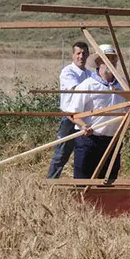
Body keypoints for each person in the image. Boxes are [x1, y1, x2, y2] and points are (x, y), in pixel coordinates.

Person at [65, 44, 128, 180]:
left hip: (112, 140)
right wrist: (83, 126)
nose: (111, 62)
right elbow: (72, 113)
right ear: (99, 62)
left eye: (113, 59)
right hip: (89, 139)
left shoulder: (123, 85)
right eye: (107, 59)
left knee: (109, 181)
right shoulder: (87, 85)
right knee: (84, 181)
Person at [46, 41, 90, 179]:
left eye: (83, 53)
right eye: (78, 53)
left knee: (85, 153)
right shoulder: (67, 72)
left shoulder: (89, 73)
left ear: (88, 55)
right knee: (61, 154)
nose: (81, 56)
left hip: (85, 117)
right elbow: (77, 89)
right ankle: (51, 183)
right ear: (73, 55)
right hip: (70, 117)